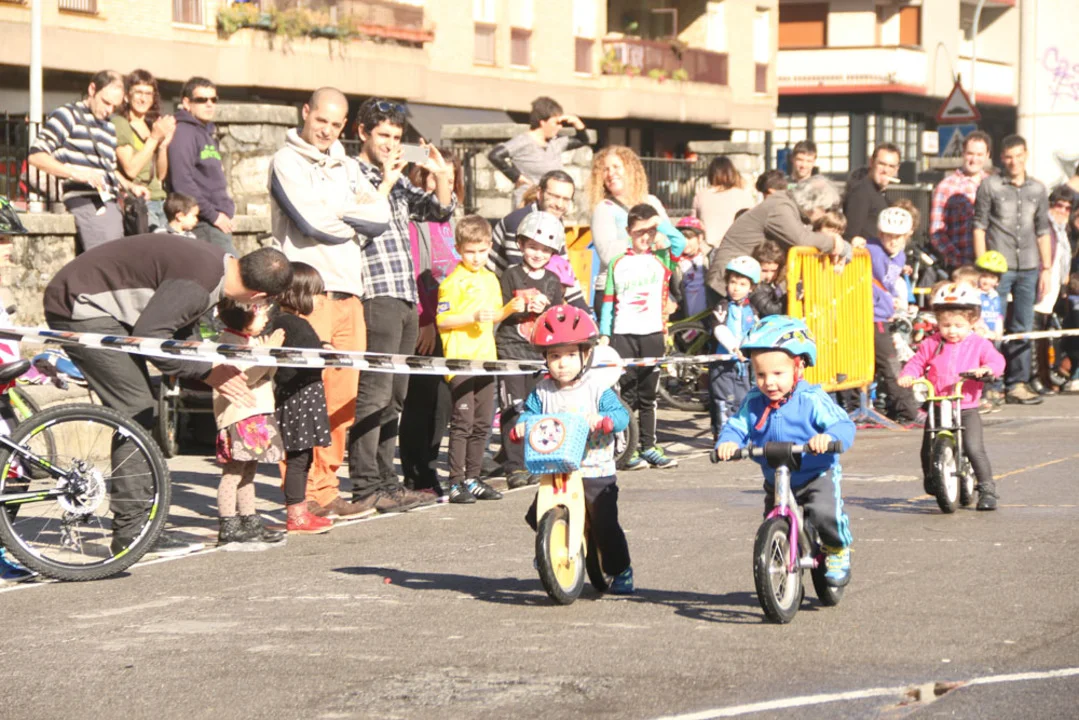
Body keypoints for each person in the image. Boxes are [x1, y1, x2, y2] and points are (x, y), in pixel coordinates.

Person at [43, 237, 293, 554]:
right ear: (258, 296)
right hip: (81, 306)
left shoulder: (220, 266)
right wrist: (206, 372)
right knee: (136, 408)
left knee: (143, 407)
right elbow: (151, 337)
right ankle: (133, 532)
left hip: (101, 304)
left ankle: (139, 525)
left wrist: (207, 367)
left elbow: (180, 329)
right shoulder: (200, 283)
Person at [269, 86, 390, 519]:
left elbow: (381, 216)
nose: (327, 130)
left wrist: (336, 210)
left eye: (336, 124)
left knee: (342, 401)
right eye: (321, 120)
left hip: (349, 293)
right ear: (305, 112)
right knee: (302, 397)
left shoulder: (348, 166)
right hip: (306, 294)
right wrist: (349, 216)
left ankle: (326, 488)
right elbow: (311, 222)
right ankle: (299, 495)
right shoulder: (286, 161)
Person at [349, 98, 456, 513]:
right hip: (376, 291)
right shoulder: (351, 173)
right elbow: (358, 222)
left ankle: (386, 481)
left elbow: (439, 211)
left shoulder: (394, 178)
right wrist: (387, 182)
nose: (391, 144)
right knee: (374, 393)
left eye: (396, 137)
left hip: (406, 293)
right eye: (383, 135)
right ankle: (365, 484)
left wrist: (441, 174)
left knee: (396, 396)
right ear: (362, 132)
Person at [715, 315, 856, 587]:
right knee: (771, 524)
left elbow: (843, 425)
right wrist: (728, 442)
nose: (769, 383)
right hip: (777, 478)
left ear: (798, 367)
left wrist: (827, 438)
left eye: (777, 374)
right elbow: (737, 425)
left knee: (826, 514)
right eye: (760, 375)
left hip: (816, 474)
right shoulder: (754, 401)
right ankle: (784, 565)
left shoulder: (811, 399)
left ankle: (837, 549)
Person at [517, 304, 635, 594]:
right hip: (555, 467)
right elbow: (528, 414)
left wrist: (605, 420)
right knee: (536, 514)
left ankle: (620, 569)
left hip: (594, 468)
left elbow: (621, 416)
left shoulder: (597, 389)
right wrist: (520, 426)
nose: (562, 363)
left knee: (605, 523)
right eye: (554, 356)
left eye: (570, 355)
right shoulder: (542, 391)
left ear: (586, 354)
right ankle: (551, 544)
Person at [898, 283, 1006, 511]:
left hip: (965, 406)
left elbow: (996, 361)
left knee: (974, 447)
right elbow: (917, 362)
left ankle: (987, 489)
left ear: (972, 321)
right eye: (946, 325)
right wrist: (908, 375)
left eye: (958, 325)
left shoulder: (978, 343)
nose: (952, 331)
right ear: (938, 322)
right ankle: (933, 477)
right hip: (938, 404)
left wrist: (987, 370)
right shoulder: (932, 343)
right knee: (928, 448)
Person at [598, 203, 686, 470]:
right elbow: (608, 301)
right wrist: (605, 334)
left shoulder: (661, 258)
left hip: (652, 334)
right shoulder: (617, 262)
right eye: (639, 231)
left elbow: (679, 242)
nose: (645, 237)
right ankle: (628, 448)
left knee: (649, 395)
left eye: (650, 231)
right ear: (628, 232)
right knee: (627, 394)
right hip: (623, 334)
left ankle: (649, 446)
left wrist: (660, 224)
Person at [436, 215, 514, 503]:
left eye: (482, 250)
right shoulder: (452, 282)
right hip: (460, 360)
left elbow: (495, 314)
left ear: (490, 246)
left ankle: (473, 476)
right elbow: (442, 320)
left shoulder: (491, 279)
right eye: (470, 251)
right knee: (463, 422)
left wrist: (513, 307)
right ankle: (456, 481)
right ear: (458, 249)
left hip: (486, 359)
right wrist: (471, 316)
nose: (477, 257)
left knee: (482, 423)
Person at [399, 152, 463, 498]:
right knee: (420, 401)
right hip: (426, 320)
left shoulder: (453, 219)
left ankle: (430, 466)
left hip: (454, 322)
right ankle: (416, 474)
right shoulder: (415, 219)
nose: (443, 184)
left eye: (449, 178)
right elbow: (415, 273)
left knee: (443, 403)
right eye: (436, 177)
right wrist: (425, 320)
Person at [28, 70, 150, 252]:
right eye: (106, 102)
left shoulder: (109, 126)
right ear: (92, 89)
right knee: (106, 258)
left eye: (114, 106)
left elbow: (109, 169)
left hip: (110, 203)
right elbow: (36, 155)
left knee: (119, 257)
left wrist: (130, 186)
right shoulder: (68, 115)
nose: (109, 110)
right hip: (84, 200)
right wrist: (75, 173)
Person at [973, 134, 1052, 406]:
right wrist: (983, 268)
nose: (1014, 161)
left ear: (1026, 155)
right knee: (990, 325)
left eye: (1018, 156)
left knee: (1022, 326)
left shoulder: (1038, 189)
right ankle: (990, 384)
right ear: (1001, 158)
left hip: (1029, 266)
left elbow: (1043, 230)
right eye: (1008, 156)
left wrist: (1047, 269)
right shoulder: (990, 186)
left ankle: (1017, 383)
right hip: (998, 268)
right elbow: (979, 226)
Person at [268, 263, 342, 534]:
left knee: (304, 458)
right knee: (298, 459)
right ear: (298, 294)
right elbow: (299, 359)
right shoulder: (293, 324)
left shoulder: (286, 322)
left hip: (302, 397)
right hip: (299, 398)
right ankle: (296, 515)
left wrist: (322, 347)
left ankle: (299, 512)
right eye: (314, 294)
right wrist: (323, 355)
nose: (318, 301)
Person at [495, 210, 566, 489]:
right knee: (513, 408)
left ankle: (536, 459)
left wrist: (546, 310)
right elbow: (499, 312)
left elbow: (558, 318)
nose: (538, 254)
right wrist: (518, 308)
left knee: (538, 408)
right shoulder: (510, 275)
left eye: (545, 249)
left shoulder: (552, 281)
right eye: (533, 247)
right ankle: (514, 465)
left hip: (538, 354)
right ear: (521, 245)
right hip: (511, 351)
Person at [212, 298, 287, 546]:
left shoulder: (249, 341)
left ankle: (249, 520)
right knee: (233, 473)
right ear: (245, 316)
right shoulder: (228, 344)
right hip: (240, 416)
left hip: (257, 413)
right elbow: (246, 377)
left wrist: (268, 353)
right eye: (261, 314)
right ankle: (228, 523)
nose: (266, 319)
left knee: (248, 473)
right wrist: (265, 354)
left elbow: (266, 374)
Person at [707, 174, 847, 298]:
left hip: (742, 280)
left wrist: (843, 247)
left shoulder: (786, 204)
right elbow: (801, 239)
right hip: (730, 282)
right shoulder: (780, 208)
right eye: (825, 209)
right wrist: (833, 242)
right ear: (813, 204)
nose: (824, 215)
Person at [488, 169, 588, 310]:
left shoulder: (554, 222)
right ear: (539, 194)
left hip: (527, 298)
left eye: (566, 199)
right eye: (554, 196)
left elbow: (564, 271)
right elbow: (519, 278)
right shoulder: (520, 222)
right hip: (495, 298)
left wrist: (586, 314)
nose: (559, 204)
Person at [589, 145, 674, 299]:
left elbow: (671, 240)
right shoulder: (604, 208)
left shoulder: (652, 202)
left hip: (651, 287)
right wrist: (647, 239)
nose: (611, 173)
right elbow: (607, 254)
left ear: (630, 169)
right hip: (616, 291)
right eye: (606, 169)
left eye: (616, 167)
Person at [167, 76, 236, 255]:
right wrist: (214, 215)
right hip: (202, 222)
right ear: (186, 103)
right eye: (202, 100)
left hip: (216, 222)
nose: (209, 104)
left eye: (213, 99)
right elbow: (182, 182)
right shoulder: (183, 132)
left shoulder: (206, 132)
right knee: (230, 269)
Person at [867, 205, 921, 425]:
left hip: (883, 315)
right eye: (888, 235)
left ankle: (893, 407)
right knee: (891, 364)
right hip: (870, 316)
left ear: (907, 235)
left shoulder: (899, 256)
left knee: (887, 364)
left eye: (898, 236)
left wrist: (892, 304)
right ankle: (908, 411)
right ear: (880, 234)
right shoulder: (871, 250)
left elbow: (886, 285)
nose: (893, 241)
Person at [488, 96, 591, 207]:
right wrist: (516, 177)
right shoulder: (523, 141)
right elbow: (495, 155)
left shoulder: (555, 142)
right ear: (543, 122)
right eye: (556, 123)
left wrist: (577, 122)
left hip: (551, 205)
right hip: (528, 203)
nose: (560, 127)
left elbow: (583, 140)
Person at [113, 69, 175, 231]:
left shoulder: (150, 125)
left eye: (148, 93)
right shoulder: (121, 123)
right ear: (127, 96)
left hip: (159, 200)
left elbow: (160, 175)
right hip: (140, 202)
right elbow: (131, 169)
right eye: (138, 92)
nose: (143, 98)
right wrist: (154, 138)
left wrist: (163, 145)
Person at [708, 256, 760, 443]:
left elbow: (755, 331)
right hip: (723, 364)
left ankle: (741, 436)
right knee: (723, 401)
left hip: (743, 365)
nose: (736, 288)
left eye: (742, 284)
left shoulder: (751, 310)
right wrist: (734, 347)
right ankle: (724, 438)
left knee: (742, 400)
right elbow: (719, 329)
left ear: (751, 288)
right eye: (732, 282)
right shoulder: (722, 306)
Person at [1031, 185, 1074, 394]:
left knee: (1043, 333)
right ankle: (1033, 378)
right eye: (1059, 205)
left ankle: (1043, 376)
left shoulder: (1062, 229)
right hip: (1040, 283)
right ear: (1050, 205)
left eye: (1068, 208)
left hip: (1054, 286)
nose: (1063, 211)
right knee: (1034, 333)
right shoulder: (1045, 226)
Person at [929, 131, 992, 272]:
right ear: (963, 153)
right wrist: (958, 260)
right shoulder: (946, 186)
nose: (974, 159)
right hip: (961, 267)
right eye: (970, 153)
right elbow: (936, 232)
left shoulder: (994, 185)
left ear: (987, 155)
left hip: (991, 267)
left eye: (979, 154)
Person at [691, 155, 754, 250]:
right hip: (736, 247)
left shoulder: (701, 195)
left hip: (708, 249)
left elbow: (693, 224)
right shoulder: (744, 195)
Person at [842, 143, 901, 243]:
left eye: (891, 166)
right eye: (881, 164)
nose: (885, 170)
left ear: (896, 169)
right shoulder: (861, 192)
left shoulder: (880, 193)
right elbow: (850, 235)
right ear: (871, 162)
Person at [975, 250, 1007, 410]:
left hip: (992, 337)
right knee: (979, 367)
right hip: (980, 337)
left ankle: (992, 390)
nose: (987, 281)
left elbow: (998, 315)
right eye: (984, 276)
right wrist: (982, 329)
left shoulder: (995, 296)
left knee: (993, 364)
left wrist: (999, 330)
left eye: (992, 278)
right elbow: (975, 315)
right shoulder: (975, 295)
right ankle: (979, 396)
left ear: (997, 281)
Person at [670, 216, 709, 318]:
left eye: (689, 238)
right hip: (684, 315)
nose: (684, 242)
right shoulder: (673, 261)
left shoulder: (708, 257)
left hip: (706, 314)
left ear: (700, 238)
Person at [750, 240, 787, 318]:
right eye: (764, 271)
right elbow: (773, 312)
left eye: (774, 271)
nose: (769, 276)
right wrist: (791, 296)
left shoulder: (773, 285)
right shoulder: (754, 288)